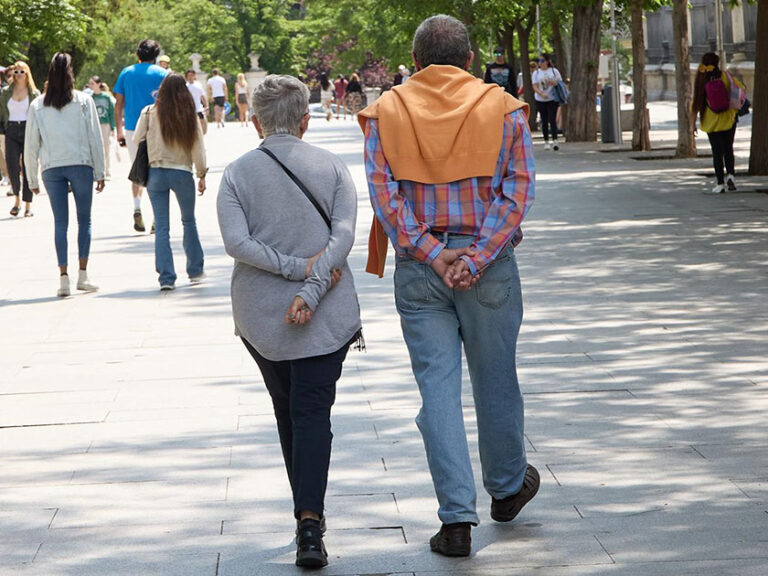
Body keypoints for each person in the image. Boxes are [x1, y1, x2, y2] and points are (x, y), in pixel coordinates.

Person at [358, 14, 537, 557]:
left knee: (437, 389)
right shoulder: (503, 108)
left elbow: (385, 198)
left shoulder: (385, 112)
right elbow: (518, 192)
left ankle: (456, 519)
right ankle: (506, 489)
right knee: (496, 377)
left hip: (420, 268)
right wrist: (476, 257)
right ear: (469, 59)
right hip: (488, 267)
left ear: (414, 63)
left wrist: (437, 257)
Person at [217, 74, 361, 568]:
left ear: (255, 121)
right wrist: (313, 284)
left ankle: (306, 518)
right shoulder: (333, 167)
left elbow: (236, 243)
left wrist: (291, 272)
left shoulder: (237, 174)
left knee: (288, 410)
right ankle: (309, 522)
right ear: (305, 121)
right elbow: (342, 237)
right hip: (328, 314)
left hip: (261, 316)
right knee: (312, 412)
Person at [24, 53, 105, 297]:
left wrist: (31, 179)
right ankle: (83, 274)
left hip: (51, 167)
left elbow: (31, 145)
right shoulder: (83, 100)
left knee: (61, 223)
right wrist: (100, 171)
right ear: (71, 73)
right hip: (80, 164)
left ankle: (63, 278)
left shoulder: (38, 104)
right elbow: (94, 138)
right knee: (85, 220)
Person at [133, 74, 207, 291]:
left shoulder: (149, 112)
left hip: (156, 173)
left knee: (162, 227)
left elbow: (138, 139)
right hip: (182, 172)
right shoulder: (188, 115)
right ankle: (195, 270)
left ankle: (166, 278)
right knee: (189, 221)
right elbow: (198, 146)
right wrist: (201, 173)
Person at [114, 39, 168, 232]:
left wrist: (118, 131)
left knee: (138, 169)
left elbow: (119, 103)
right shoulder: (163, 73)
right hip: (157, 126)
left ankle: (137, 207)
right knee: (156, 169)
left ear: (138, 54)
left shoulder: (126, 72)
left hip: (131, 127)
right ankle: (156, 216)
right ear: (156, 56)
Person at [692, 52, 742, 194]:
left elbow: (694, 105)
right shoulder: (726, 76)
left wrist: (692, 126)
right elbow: (740, 89)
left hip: (711, 122)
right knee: (728, 149)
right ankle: (731, 175)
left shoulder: (701, 79)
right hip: (728, 119)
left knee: (717, 152)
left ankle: (720, 183)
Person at [0, 61, 40, 217]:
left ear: (27, 73)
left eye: (21, 72)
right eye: (15, 72)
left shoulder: (34, 93)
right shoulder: (5, 93)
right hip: (10, 129)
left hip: (28, 130)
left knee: (28, 166)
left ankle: (28, 204)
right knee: (12, 166)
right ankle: (17, 200)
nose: (18, 75)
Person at [532, 53, 562, 150]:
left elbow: (559, 83)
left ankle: (555, 140)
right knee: (544, 120)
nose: (540, 63)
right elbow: (535, 86)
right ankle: (546, 141)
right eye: (539, 61)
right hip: (540, 99)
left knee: (552, 119)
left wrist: (554, 83)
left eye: (542, 61)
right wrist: (541, 94)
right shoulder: (536, 73)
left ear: (547, 61)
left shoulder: (554, 71)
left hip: (552, 98)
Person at [88, 76, 115, 179]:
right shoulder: (90, 98)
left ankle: (107, 170)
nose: (91, 86)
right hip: (94, 125)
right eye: (90, 84)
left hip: (105, 124)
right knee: (94, 147)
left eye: (92, 83)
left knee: (106, 147)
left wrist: (113, 127)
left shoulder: (106, 97)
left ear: (98, 84)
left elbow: (111, 112)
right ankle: (96, 170)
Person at [185, 69, 208, 135]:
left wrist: (206, 106)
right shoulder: (185, 86)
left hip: (198, 108)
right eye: (189, 75)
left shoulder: (198, 85)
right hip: (189, 108)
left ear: (194, 76)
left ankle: (201, 135)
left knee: (201, 122)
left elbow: (202, 96)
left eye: (192, 75)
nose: (190, 77)